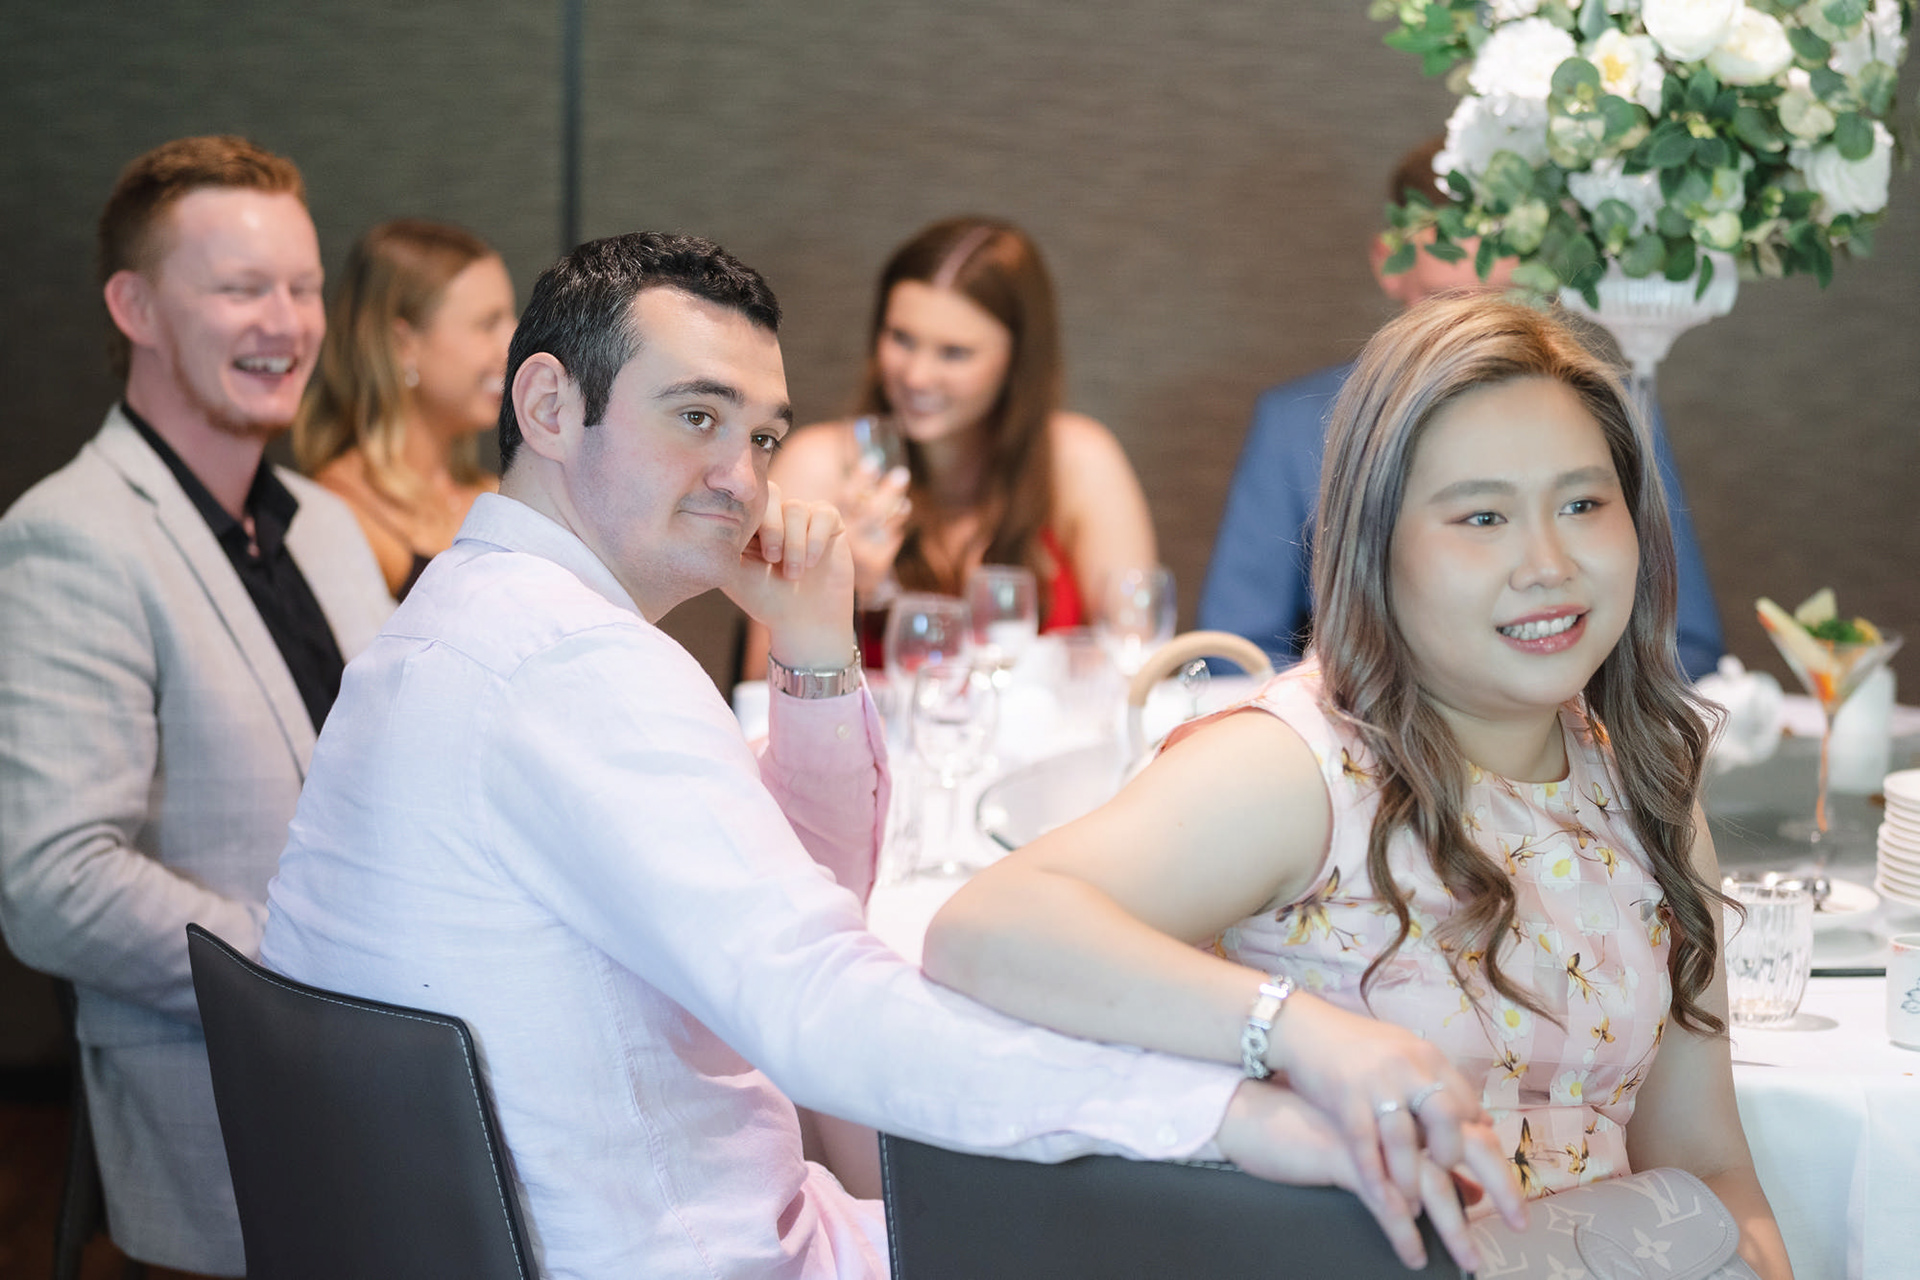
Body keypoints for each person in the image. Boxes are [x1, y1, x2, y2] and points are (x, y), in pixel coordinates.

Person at [260, 232, 1527, 1279]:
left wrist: (815, 645)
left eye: (763, 436)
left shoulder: (457, 618)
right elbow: (821, 1004)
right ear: (548, 405)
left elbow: (804, 898)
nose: (741, 478)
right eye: (696, 416)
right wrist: (1242, 1093)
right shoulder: (574, 664)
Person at [925, 294, 1791, 1279]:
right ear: (1375, 543)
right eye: (1482, 517)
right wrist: (1299, 1032)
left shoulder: (1645, 782)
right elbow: (984, 929)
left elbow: (1706, 1162)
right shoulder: (1301, 766)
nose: (1548, 563)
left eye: (1583, 504)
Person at [0, 136, 393, 1277]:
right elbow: (56, 884)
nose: (288, 322)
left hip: (396, 1084)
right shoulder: (70, 537)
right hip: (231, 1129)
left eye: (304, 287)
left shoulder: (325, 523)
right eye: (240, 289)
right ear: (135, 307)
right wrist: (306, 971)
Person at [1198, 140, 1725, 679]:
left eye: (1507, 302)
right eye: (1443, 304)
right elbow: (1236, 651)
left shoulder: (1614, 410)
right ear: (1389, 264)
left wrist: (1555, 707)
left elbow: (1684, 642)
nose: (1476, 338)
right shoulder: (1294, 425)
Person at [746, 215, 1155, 674]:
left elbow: (1137, 663)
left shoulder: (1078, 460)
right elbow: (760, 691)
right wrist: (841, 595)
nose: (917, 376)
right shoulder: (818, 466)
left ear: (1017, 358)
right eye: (902, 339)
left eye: (954, 352)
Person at [293, 218, 514, 599]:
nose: (513, 344)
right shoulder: (342, 512)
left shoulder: (497, 494)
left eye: (511, 320)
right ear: (402, 345)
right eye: (487, 324)